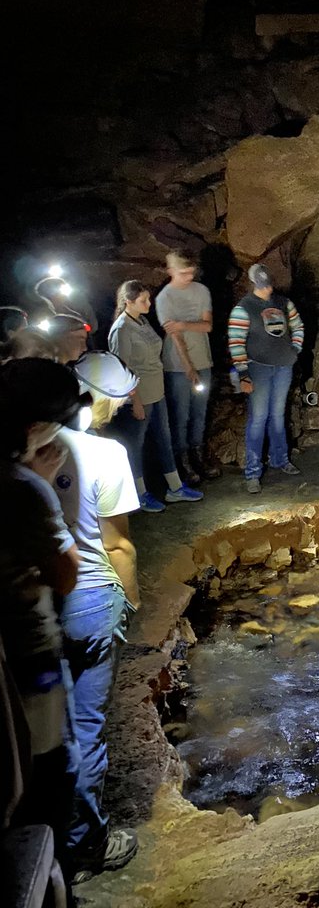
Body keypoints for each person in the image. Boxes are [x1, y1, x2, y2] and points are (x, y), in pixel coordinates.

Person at [52, 351, 142, 883]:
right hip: (89, 600)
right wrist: (128, 601)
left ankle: (45, 834)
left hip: (34, 607)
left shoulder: (21, 451)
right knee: (86, 725)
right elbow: (119, 545)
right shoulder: (104, 455)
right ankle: (87, 845)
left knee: (42, 726)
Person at [0, 358, 89, 878]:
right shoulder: (21, 487)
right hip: (29, 654)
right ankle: (58, 870)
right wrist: (44, 482)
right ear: (35, 426)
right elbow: (64, 575)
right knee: (52, 765)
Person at [108, 281, 203, 512]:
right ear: (128, 301)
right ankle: (139, 494)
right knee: (136, 446)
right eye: (143, 301)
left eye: (149, 299)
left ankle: (175, 487)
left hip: (156, 392)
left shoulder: (142, 320)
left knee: (165, 439)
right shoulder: (122, 329)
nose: (149, 304)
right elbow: (123, 369)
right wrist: (136, 402)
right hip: (139, 396)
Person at [227, 263, 304, 495]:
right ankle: (253, 471)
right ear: (254, 285)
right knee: (258, 418)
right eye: (262, 286)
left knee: (278, 415)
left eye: (269, 284)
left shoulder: (283, 303)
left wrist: (294, 350)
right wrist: (243, 374)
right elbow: (236, 342)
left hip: (283, 367)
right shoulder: (243, 309)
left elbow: (297, 326)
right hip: (258, 368)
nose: (267, 289)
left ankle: (280, 459)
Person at [154, 250, 220, 487]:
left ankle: (198, 456)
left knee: (199, 413)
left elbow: (208, 325)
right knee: (181, 415)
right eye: (184, 273)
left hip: (204, 360)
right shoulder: (164, 298)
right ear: (171, 271)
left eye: (191, 272)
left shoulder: (201, 291)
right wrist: (188, 368)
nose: (189, 277)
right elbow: (175, 338)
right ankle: (183, 462)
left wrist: (183, 324)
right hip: (177, 366)